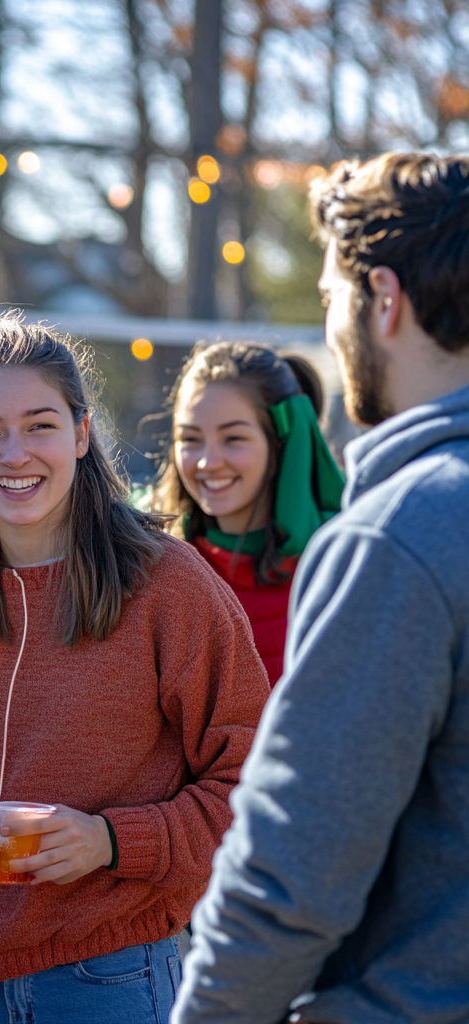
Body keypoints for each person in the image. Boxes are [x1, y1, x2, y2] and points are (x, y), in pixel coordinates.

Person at [0, 318, 269, 1024]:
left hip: (111, 976)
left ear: (81, 433)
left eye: (40, 425)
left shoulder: (170, 583)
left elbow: (252, 785)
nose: (14, 453)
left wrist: (111, 842)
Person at [171, 152, 469, 1024]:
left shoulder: (399, 535)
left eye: (330, 298)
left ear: (384, 299)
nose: (330, 328)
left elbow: (292, 872)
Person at [151, 342, 344, 684]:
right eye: (190, 439)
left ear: (283, 441)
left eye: (234, 438)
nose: (208, 462)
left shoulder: (345, 566)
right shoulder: (148, 566)